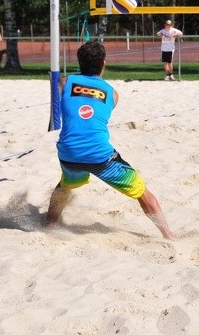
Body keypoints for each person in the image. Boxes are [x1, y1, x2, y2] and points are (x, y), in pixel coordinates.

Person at [45, 40, 176, 240]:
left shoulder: (64, 82)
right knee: (142, 192)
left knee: (64, 186)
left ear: (79, 62)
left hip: (68, 153)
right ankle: (169, 235)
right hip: (100, 157)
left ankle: (49, 225)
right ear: (104, 64)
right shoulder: (113, 94)